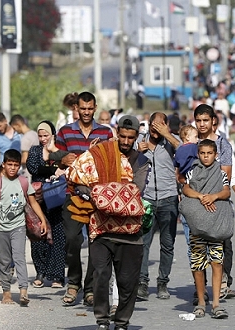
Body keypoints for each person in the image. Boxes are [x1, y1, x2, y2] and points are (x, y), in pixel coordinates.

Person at [68, 115, 150, 330]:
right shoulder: (99, 155)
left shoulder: (141, 162)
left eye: (130, 138)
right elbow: (80, 181)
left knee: (127, 282)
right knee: (101, 277)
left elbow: (135, 192)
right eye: (122, 136)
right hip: (101, 229)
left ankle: (122, 322)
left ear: (136, 137)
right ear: (117, 133)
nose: (125, 141)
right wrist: (96, 193)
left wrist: (100, 191)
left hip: (131, 232)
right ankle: (102, 320)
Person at [55, 91, 114, 306]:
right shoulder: (65, 132)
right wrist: (62, 158)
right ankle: (73, 282)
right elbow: (54, 160)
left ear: (95, 108)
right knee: (71, 239)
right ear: (76, 109)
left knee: (95, 243)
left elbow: (112, 162)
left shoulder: (106, 133)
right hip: (72, 194)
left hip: (98, 197)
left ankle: (90, 289)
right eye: (83, 109)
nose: (86, 112)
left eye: (90, 109)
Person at [194, 104, 235, 298]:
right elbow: (185, 173)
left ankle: (223, 282)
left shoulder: (223, 145)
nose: (201, 124)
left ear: (213, 121)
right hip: (195, 202)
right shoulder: (191, 143)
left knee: (222, 244)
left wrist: (213, 194)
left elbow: (225, 174)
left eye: (205, 120)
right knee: (197, 248)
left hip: (220, 201)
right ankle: (201, 289)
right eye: (198, 120)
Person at [0, 149, 47, 306]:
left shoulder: (24, 182)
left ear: (19, 166)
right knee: (5, 260)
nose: (12, 168)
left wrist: (42, 220)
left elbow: (32, 202)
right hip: (0, 228)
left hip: (18, 226)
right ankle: (6, 293)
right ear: (4, 165)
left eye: (16, 165)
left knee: (19, 257)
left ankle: (23, 291)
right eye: (10, 164)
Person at [181, 139, 230, 319]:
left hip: (215, 225)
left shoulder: (220, 172)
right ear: (198, 154)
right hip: (197, 226)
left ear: (215, 155)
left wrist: (214, 196)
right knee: (198, 264)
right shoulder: (193, 172)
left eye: (209, 153)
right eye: (202, 153)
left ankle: (216, 303)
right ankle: (201, 301)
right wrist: (201, 196)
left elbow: (227, 191)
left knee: (217, 262)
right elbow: (186, 189)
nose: (206, 156)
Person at [137, 112, 180, 301]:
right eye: (154, 124)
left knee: (167, 244)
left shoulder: (172, 142)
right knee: (143, 243)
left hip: (168, 199)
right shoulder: (139, 141)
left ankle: (163, 282)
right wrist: (136, 152)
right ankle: (142, 283)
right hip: (145, 199)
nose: (157, 128)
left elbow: (187, 151)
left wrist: (168, 134)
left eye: (161, 124)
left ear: (166, 125)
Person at [26, 121, 66, 288]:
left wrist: (52, 154)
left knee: (58, 235)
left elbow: (65, 166)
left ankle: (57, 275)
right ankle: (40, 272)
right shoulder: (34, 150)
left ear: (53, 135)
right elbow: (33, 168)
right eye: (40, 136)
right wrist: (51, 169)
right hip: (38, 199)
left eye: (46, 135)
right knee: (37, 234)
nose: (43, 139)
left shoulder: (59, 150)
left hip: (56, 199)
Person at [0, 112, 21, 285]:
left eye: (0, 126)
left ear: (4, 122)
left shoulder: (19, 136)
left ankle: (12, 265)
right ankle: (0, 273)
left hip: (18, 181)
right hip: (2, 181)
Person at [0, 112, 22, 178]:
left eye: (0, 126)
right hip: (4, 171)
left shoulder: (19, 134)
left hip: (19, 169)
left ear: (5, 121)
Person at [10, 114, 39, 181]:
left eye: (14, 128)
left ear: (18, 124)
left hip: (28, 174)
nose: (15, 131)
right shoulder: (34, 134)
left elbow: (24, 160)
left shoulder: (25, 138)